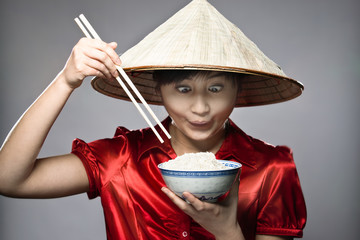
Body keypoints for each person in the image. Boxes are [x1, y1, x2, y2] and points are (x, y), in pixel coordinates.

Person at [0, 1, 306, 239]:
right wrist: (66, 81)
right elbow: (9, 179)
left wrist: (227, 232)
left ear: (237, 90)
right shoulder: (121, 159)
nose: (200, 107)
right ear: (159, 90)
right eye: (183, 89)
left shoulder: (272, 168)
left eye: (215, 88)